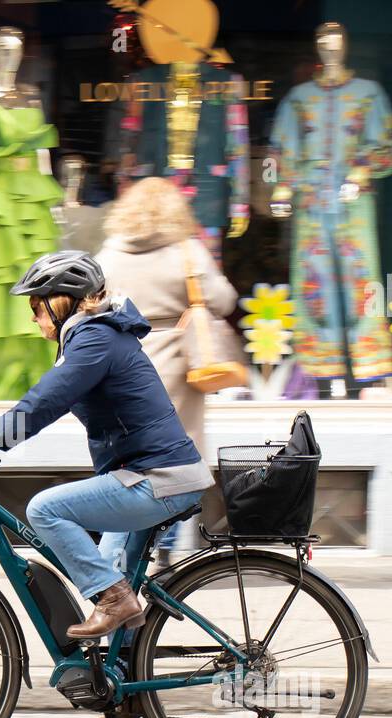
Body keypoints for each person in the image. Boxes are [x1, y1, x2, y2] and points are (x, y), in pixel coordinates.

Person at [0, 250, 215, 718]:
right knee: (111, 571)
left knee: (45, 510)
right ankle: (125, 694)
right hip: (149, 475)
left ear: (63, 301)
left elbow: (44, 402)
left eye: (36, 305)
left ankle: (116, 602)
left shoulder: (95, 339)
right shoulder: (97, 336)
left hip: (157, 480)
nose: (33, 316)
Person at [96, 177, 238, 563]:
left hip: (122, 365)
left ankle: (116, 565)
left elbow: (91, 306)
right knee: (174, 466)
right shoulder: (187, 251)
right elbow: (224, 300)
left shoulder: (110, 254)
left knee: (126, 468)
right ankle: (164, 556)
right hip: (176, 365)